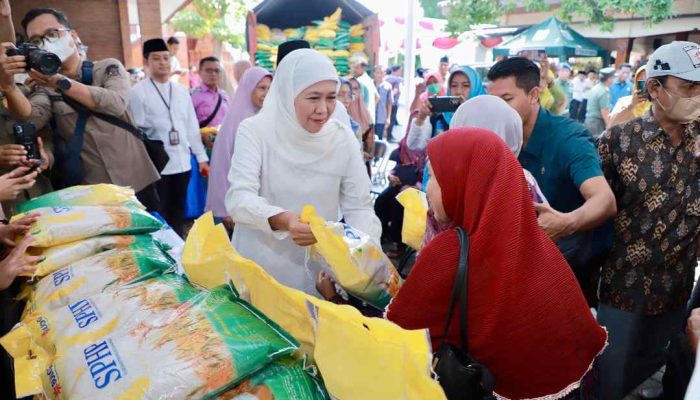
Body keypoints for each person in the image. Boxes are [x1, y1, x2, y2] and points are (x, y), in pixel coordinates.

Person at [384, 129, 607, 399]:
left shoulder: (449, 252)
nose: (426, 187)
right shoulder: (536, 242)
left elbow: (397, 332)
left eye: (436, 178)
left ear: (465, 183)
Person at [225, 48, 380, 296]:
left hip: (318, 272)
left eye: (331, 98)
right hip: (260, 266)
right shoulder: (255, 132)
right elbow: (239, 199)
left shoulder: (341, 137)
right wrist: (284, 220)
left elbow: (359, 206)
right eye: (313, 98)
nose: (323, 109)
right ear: (288, 95)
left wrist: (368, 258)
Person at [596, 41, 700, 400]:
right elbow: (595, 209)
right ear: (655, 88)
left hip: (677, 292)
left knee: (662, 373)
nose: (697, 96)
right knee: (609, 381)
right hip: (622, 291)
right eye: (688, 87)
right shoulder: (617, 141)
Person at [488, 57, 617, 308]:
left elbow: (605, 200)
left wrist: (566, 222)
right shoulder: (497, 136)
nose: (499, 110)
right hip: (521, 262)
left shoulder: (568, 137)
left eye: (506, 100)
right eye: (494, 102)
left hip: (572, 266)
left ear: (534, 94)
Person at [0, 7, 160, 208]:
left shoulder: (107, 67)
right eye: (37, 41)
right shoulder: (43, 87)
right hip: (92, 190)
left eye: (52, 34)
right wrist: (9, 87)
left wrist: (60, 81)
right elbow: (31, 117)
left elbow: (116, 103)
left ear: (73, 35)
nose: (46, 43)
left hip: (136, 179)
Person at [129, 38, 209, 236]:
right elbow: (136, 131)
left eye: (166, 58)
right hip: (157, 166)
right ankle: (165, 249)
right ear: (147, 62)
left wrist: (201, 158)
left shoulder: (181, 91)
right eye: (156, 59)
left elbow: (191, 125)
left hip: (183, 162)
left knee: (178, 211)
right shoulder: (138, 93)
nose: (163, 63)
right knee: (159, 212)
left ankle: (179, 248)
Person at [206, 67, 271, 233]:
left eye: (270, 88)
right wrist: (226, 209)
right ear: (248, 89)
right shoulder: (235, 122)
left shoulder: (268, 118)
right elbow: (222, 167)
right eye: (262, 88)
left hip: (264, 204)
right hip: (238, 204)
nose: (267, 93)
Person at [191, 56, 230, 128]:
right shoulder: (192, 96)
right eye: (208, 70)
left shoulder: (224, 95)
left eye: (217, 71)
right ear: (199, 72)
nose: (213, 74)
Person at [346, 77, 374, 176]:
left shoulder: (366, 117)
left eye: (356, 88)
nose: (353, 92)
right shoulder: (337, 115)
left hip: (360, 170)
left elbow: (370, 153)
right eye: (349, 88)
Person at [584, 67, 615, 138]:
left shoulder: (596, 88)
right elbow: (604, 111)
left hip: (589, 121)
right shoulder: (604, 91)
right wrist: (609, 126)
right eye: (613, 77)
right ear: (609, 79)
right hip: (597, 123)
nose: (614, 80)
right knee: (597, 145)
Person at [352, 58, 379, 124]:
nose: (355, 70)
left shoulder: (359, 81)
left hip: (363, 119)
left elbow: (359, 99)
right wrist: (370, 109)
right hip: (370, 117)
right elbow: (377, 97)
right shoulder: (370, 80)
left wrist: (363, 111)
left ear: (363, 68)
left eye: (357, 68)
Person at [373, 65, 393, 141]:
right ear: (374, 73)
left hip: (381, 117)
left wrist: (388, 118)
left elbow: (389, 103)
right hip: (370, 117)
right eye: (377, 72)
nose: (379, 75)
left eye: (382, 73)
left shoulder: (388, 86)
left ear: (384, 73)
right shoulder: (370, 84)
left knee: (379, 139)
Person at [385, 65, 402, 141]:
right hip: (393, 103)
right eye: (400, 71)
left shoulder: (386, 77)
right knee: (391, 120)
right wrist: (389, 96)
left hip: (385, 103)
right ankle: (389, 136)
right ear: (397, 70)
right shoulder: (396, 79)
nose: (400, 72)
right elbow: (395, 90)